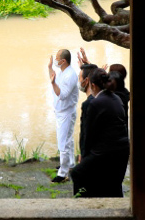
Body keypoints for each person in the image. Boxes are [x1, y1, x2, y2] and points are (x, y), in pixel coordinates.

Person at [69, 68, 130, 197]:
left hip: (106, 151)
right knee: (112, 183)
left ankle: (83, 205)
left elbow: (88, 134)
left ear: (93, 85)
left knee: (77, 173)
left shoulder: (96, 103)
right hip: (123, 149)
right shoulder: (117, 98)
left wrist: (84, 157)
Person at [48, 49, 79, 183]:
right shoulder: (62, 72)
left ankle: (63, 173)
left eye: (57, 59)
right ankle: (70, 163)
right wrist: (49, 68)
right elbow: (52, 78)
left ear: (63, 61)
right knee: (68, 140)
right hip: (61, 112)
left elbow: (62, 94)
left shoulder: (70, 75)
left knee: (63, 143)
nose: (55, 60)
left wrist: (53, 84)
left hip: (66, 113)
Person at [77, 63, 98, 165]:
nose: (78, 81)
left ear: (86, 81)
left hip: (91, 155)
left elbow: (86, 133)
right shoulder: (101, 98)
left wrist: (83, 154)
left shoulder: (88, 104)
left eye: (79, 78)